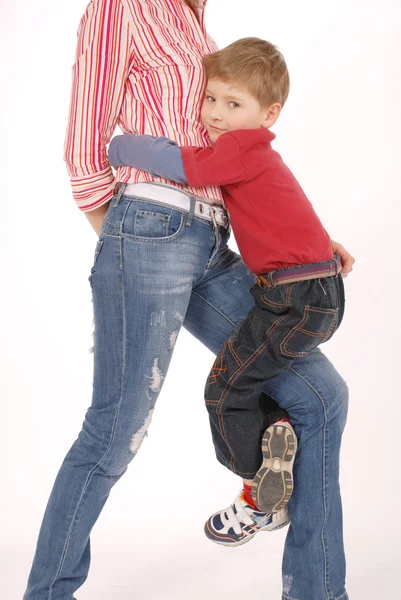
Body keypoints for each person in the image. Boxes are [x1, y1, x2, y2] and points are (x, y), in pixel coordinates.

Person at [23, 2, 354, 600]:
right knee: (116, 430)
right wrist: (128, 235)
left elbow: (233, 158)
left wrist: (301, 240)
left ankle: (318, 593)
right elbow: (85, 141)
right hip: (149, 229)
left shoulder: (199, 27)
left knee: (322, 395)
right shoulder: (120, 8)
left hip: (215, 238)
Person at [108, 35, 346, 545]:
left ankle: (260, 498)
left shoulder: (239, 148)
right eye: (210, 99)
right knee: (247, 381)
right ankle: (276, 439)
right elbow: (287, 211)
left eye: (233, 104)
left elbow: (187, 166)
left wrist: (123, 145)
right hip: (310, 292)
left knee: (224, 391)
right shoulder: (258, 156)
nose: (216, 115)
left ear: (269, 114)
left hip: (294, 299)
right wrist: (324, 249)